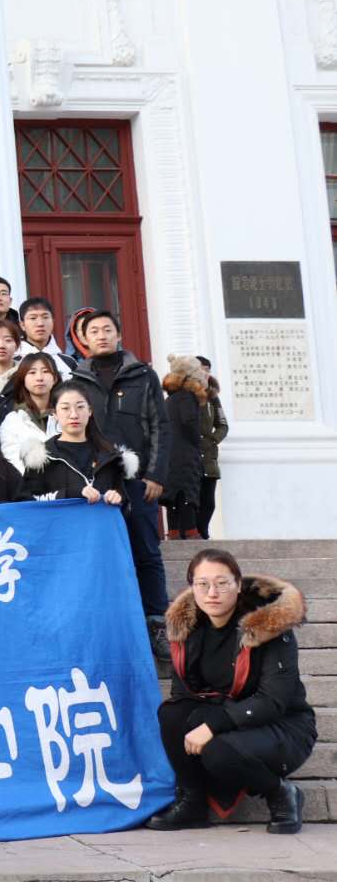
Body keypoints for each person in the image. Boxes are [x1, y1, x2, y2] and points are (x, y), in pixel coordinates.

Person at [145, 548, 314, 834]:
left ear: (238, 585)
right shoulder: (188, 628)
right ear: (192, 587)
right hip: (227, 716)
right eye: (202, 584)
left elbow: (272, 701)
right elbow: (183, 695)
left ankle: (280, 793)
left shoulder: (268, 628)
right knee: (172, 714)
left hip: (282, 725)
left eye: (222, 583)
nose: (212, 593)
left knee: (217, 751)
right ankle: (192, 801)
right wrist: (207, 722)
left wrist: (213, 725)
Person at [70, 310, 173, 641]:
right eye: (93, 331)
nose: (101, 335)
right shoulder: (76, 381)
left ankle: (156, 622)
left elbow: (160, 426)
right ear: (83, 339)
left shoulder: (143, 376)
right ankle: (112, 624)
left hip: (137, 481)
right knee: (101, 555)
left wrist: (155, 475)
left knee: (146, 551)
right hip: (96, 483)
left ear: (118, 334)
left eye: (107, 329)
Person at [21, 380, 135, 509]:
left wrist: (117, 498)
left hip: (101, 521)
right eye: (65, 408)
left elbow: (127, 506)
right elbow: (28, 503)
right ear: (54, 414)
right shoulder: (41, 457)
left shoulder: (110, 457)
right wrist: (69, 494)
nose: (74, 415)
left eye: (80, 407)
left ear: (90, 411)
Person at [162, 354, 210, 541]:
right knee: (187, 491)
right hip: (185, 453)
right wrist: (198, 442)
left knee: (173, 495)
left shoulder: (170, 398)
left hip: (170, 454)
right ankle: (190, 530)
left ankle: (174, 531)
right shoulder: (187, 397)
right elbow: (190, 423)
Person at [0, 352, 63, 474]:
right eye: (32, 372)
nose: (39, 378)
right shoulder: (13, 421)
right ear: (23, 379)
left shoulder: (68, 415)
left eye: (45, 371)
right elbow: (12, 461)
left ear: (55, 378)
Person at [199, 357, 228, 539]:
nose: (205, 373)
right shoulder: (183, 395)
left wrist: (212, 440)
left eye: (207, 369)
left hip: (208, 458)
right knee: (191, 501)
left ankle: (203, 533)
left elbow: (223, 425)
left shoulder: (213, 398)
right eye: (200, 368)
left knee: (209, 503)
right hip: (189, 457)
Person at [17, 296, 76, 377]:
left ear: (53, 321)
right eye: (33, 318)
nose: (40, 323)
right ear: (22, 325)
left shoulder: (69, 362)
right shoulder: (13, 361)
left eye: (45, 317)